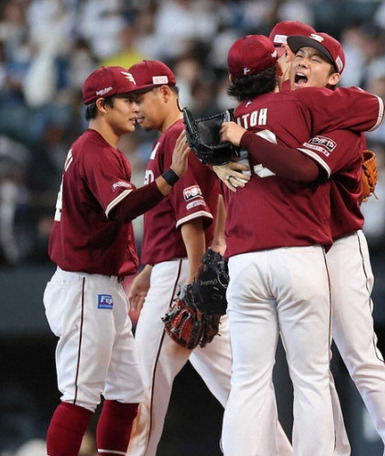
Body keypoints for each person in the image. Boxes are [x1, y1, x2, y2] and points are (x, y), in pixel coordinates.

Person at [220, 31, 385, 456]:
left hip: (339, 246)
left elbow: (304, 166)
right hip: (299, 251)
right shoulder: (290, 109)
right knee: (314, 373)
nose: (303, 63)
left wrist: (233, 149)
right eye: (297, 55)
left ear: (334, 76)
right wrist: (221, 163)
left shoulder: (341, 119)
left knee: (358, 356)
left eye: (315, 58)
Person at [124, 59, 292, 456]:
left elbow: (193, 216)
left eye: (140, 98)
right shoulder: (178, 137)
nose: (134, 108)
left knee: (139, 390)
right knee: (242, 386)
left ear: (166, 93)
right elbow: (198, 211)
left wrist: (194, 280)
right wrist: (149, 268)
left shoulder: (177, 137)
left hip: (182, 271)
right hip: (175, 266)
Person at [42, 65, 190, 456]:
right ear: (103, 105)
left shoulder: (103, 152)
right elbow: (121, 208)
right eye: (126, 100)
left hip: (103, 285)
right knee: (79, 394)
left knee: (127, 392)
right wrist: (171, 177)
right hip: (83, 285)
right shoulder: (93, 151)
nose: (134, 107)